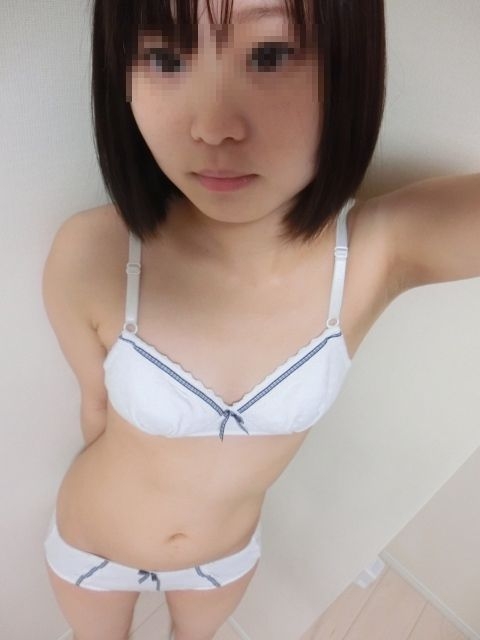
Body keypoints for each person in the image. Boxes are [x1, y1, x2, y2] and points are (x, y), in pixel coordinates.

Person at [41, 0, 480, 639]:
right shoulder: (92, 252)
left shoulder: (377, 253)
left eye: (271, 55)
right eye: (163, 58)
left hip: (220, 561)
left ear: (351, 67)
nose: (212, 128)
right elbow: (95, 408)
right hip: (93, 545)